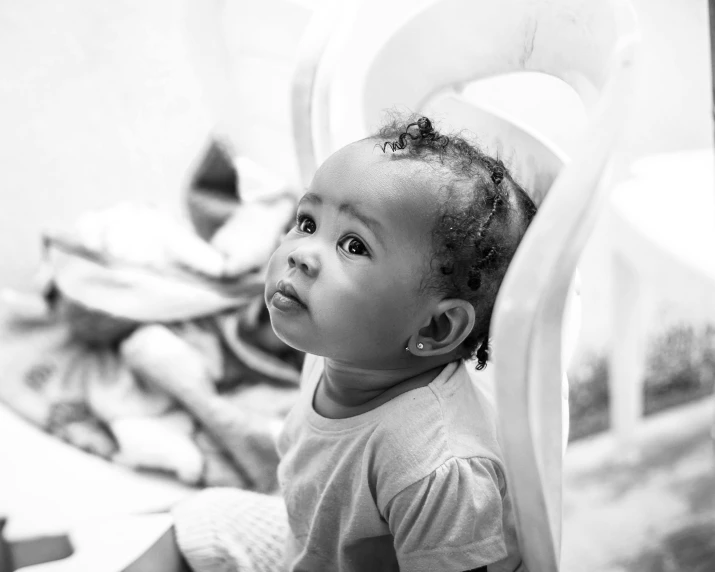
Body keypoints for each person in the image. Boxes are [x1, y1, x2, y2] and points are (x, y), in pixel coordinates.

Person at [137, 115, 537, 572]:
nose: (302, 253)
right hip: (304, 549)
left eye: (353, 245)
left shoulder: (434, 469)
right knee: (199, 520)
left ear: (435, 330)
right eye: (307, 223)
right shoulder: (334, 357)